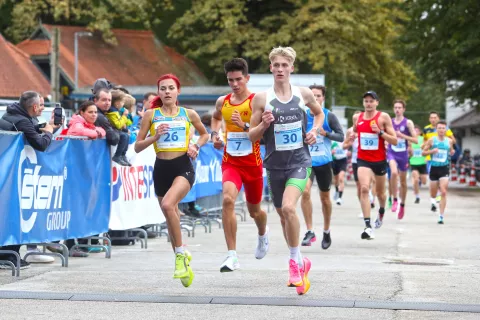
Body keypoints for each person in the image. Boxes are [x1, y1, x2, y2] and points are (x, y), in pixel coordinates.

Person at [248, 47, 325, 295]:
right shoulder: (262, 98)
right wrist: (264, 124)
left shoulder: (303, 94)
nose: (280, 69)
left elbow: (319, 113)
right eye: (276, 65)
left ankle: (293, 262)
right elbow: (252, 136)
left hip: (300, 161)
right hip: (274, 165)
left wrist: (314, 131)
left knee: (290, 208)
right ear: (270, 68)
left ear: (292, 68)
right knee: (283, 216)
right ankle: (302, 262)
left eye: (285, 65)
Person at [134, 74, 208, 287]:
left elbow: (204, 135)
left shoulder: (189, 114)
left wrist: (195, 145)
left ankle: (179, 256)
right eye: (163, 88)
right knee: (170, 215)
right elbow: (138, 146)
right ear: (158, 92)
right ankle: (182, 257)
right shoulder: (151, 115)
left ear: (178, 92)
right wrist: (155, 137)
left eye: (171, 88)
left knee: (168, 204)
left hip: (183, 167)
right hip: (161, 169)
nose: (167, 92)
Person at [210, 58, 269, 272]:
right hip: (230, 161)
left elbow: (257, 135)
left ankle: (263, 233)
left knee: (255, 211)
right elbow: (216, 119)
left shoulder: (256, 101)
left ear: (247, 78)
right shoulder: (222, 101)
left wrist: (241, 124)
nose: (235, 84)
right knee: (227, 199)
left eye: (238, 79)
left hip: (252, 163)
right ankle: (232, 255)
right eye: (230, 80)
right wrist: (215, 134)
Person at [0, 91, 57, 269]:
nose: (41, 108)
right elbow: (40, 145)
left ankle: (9, 254)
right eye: (40, 105)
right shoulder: (23, 121)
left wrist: (39, 128)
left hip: (9, 173)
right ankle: (9, 255)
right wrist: (49, 132)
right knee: (14, 213)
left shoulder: (10, 114)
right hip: (16, 175)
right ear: (33, 107)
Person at [300, 85, 344, 248]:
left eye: (318, 96)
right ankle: (310, 230)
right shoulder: (302, 116)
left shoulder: (328, 116)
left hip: (324, 163)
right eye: (312, 95)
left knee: (325, 199)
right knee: (304, 192)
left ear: (323, 98)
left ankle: (326, 230)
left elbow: (341, 136)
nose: (315, 98)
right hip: (306, 162)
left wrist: (326, 134)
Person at [353, 91, 397, 240]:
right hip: (363, 159)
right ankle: (367, 226)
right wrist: (351, 136)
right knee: (364, 188)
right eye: (366, 101)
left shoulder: (383, 117)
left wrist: (380, 133)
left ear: (377, 102)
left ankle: (382, 211)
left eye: (371, 101)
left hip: (379, 160)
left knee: (380, 193)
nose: (368, 104)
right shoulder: (357, 117)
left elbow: (394, 141)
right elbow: (354, 130)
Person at [386, 100, 417, 219]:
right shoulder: (389, 122)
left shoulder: (408, 123)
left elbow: (415, 140)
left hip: (403, 154)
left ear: (404, 109)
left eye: (399, 107)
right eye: (395, 107)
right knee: (393, 173)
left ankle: (402, 205)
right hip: (391, 152)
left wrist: (402, 135)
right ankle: (395, 199)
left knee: (403, 183)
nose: (397, 110)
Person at [422, 120, 454, 223]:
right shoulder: (432, 140)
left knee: (444, 192)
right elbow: (423, 152)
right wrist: (432, 151)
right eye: (439, 128)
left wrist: (452, 152)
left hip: (444, 168)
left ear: (446, 129)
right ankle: (433, 200)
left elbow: (451, 150)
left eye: (443, 128)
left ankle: (441, 216)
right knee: (433, 193)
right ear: (436, 129)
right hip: (434, 169)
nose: (441, 130)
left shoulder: (449, 141)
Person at [93, 88, 128, 166]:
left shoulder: (104, 113)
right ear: (95, 101)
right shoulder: (100, 116)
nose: (107, 103)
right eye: (104, 100)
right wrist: (116, 130)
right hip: (96, 160)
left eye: (109, 100)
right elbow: (113, 139)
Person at [408, 125, 428, 204]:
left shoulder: (423, 140)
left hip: (422, 162)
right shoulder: (410, 141)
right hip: (413, 162)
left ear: (420, 132)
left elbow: (427, 149)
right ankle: (417, 196)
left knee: (424, 182)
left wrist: (427, 157)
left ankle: (420, 179)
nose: (415, 132)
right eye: (414, 131)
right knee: (415, 180)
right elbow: (408, 152)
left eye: (417, 131)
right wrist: (409, 152)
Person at [331, 140, 347, 205]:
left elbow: (349, 145)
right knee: (336, 179)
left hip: (343, 161)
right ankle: (337, 190)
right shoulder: (331, 139)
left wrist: (349, 151)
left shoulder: (344, 138)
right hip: (334, 160)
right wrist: (331, 152)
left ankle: (340, 198)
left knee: (341, 178)